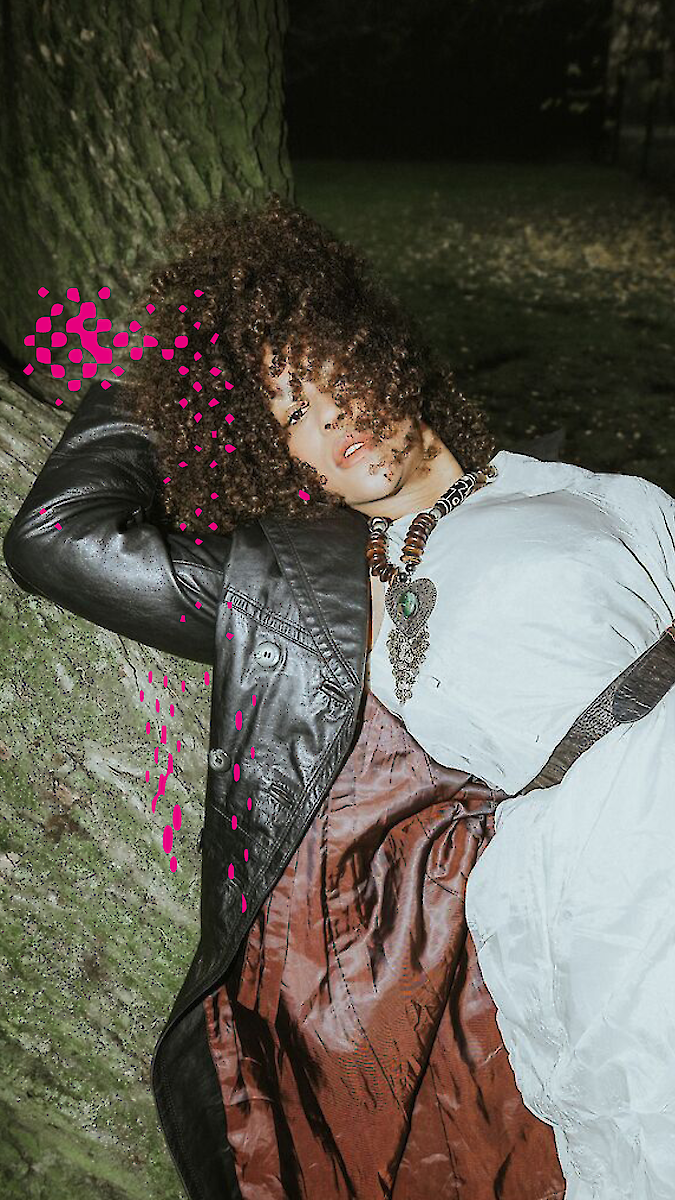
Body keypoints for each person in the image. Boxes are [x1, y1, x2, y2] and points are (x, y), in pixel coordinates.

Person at [4, 194, 675, 1200]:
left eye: (336, 376)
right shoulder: (317, 591)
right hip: (594, 890)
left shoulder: (596, 492)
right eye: (291, 415)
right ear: (278, 458)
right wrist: (157, 377)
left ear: (387, 359)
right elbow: (58, 537)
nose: (332, 419)